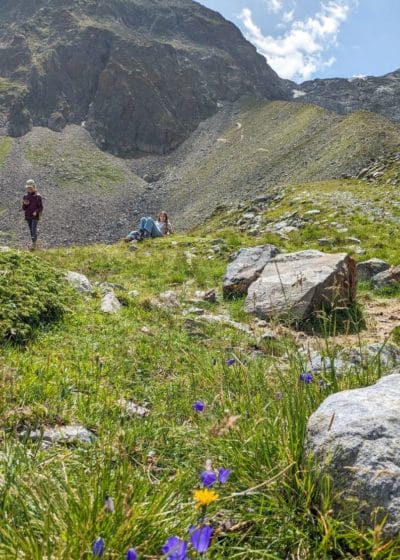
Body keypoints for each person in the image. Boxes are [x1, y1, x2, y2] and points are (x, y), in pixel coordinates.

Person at [22, 179, 43, 249]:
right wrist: (25, 204)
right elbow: (23, 208)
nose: (29, 189)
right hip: (28, 216)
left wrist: (36, 212)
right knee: (31, 229)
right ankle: (33, 242)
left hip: (35, 216)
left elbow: (41, 207)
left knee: (33, 229)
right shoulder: (25, 196)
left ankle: (34, 244)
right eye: (28, 188)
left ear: (34, 187)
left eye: (30, 187)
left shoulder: (38, 196)